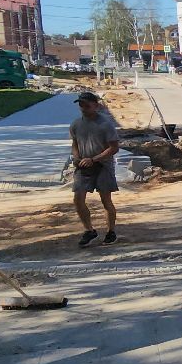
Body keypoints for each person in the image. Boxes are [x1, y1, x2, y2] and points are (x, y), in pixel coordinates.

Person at [70, 91, 123, 247]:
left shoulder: (105, 124)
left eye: (87, 105)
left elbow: (114, 148)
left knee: (105, 199)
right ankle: (89, 230)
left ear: (96, 105)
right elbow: (75, 144)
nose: (83, 108)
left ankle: (111, 232)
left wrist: (94, 159)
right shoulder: (76, 124)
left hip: (102, 166)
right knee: (78, 198)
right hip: (83, 166)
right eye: (81, 105)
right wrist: (77, 157)